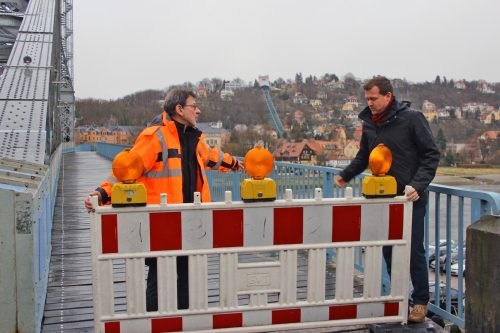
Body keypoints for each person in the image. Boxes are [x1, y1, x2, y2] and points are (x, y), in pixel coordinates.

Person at [85, 88, 243, 311]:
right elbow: (128, 169)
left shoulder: (193, 136)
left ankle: (184, 322)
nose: (198, 111)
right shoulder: (155, 136)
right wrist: (102, 193)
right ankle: (155, 322)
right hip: (163, 221)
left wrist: (236, 163)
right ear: (179, 109)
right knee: (160, 276)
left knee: (188, 276)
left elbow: (211, 157)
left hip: (192, 220)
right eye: (193, 106)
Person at [334, 76, 440, 323]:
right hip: (383, 198)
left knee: (414, 251)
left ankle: (421, 302)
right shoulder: (370, 123)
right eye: (367, 99)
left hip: (410, 197)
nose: (369, 103)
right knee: (390, 251)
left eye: (373, 98)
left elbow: (431, 154)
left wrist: (418, 185)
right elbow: (364, 157)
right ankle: (400, 297)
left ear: (388, 96)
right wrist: (345, 175)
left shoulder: (412, 118)